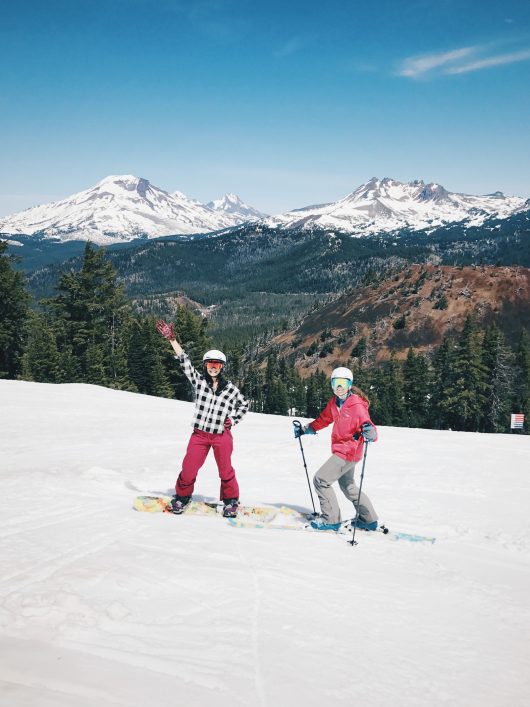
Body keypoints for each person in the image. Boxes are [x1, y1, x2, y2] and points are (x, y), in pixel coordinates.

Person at [156, 319, 249, 517]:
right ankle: (182, 497)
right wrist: (172, 339)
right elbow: (185, 361)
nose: (213, 367)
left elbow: (244, 404)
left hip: (221, 436)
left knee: (225, 471)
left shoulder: (230, 389)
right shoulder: (199, 382)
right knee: (188, 468)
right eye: (210, 364)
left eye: (217, 364)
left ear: (222, 366)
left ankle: (231, 501)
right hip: (199, 435)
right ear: (206, 366)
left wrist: (233, 419)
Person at [294, 366, 379, 531]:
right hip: (344, 450)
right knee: (348, 486)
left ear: (350, 384)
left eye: (343, 383)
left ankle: (331, 520)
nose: (339, 387)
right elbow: (324, 419)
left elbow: (368, 426)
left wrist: (371, 432)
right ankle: (368, 520)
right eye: (335, 383)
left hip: (348, 451)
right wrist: (307, 429)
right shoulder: (334, 403)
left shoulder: (356, 405)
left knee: (321, 480)